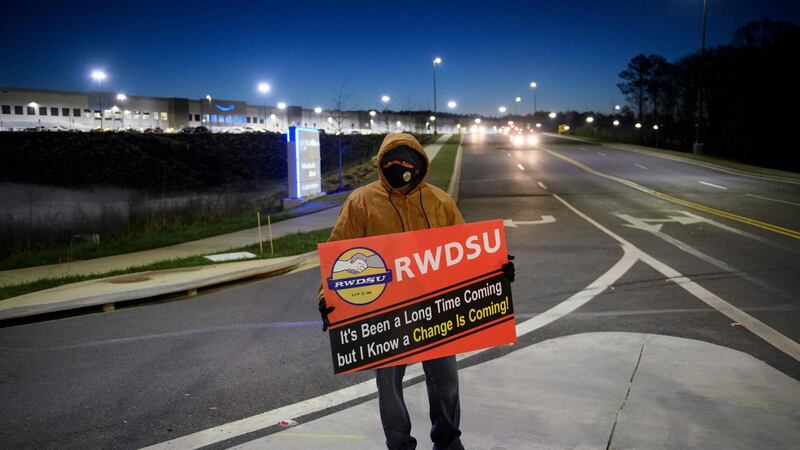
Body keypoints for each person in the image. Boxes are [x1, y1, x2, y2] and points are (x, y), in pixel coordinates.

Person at [318, 132, 515, 450]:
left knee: (446, 381)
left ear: (420, 164)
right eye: (391, 161)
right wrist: (327, 298)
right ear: (381, 165)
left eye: (407, 160)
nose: (400, 167)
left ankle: (448, 441)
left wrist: (496, 272)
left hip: (436, 309)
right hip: (386, 315)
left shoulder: (439, 201)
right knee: (388, 384)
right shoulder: (361, 202)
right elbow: (338, 254)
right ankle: (399, 445)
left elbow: (466, 250)